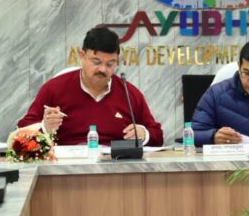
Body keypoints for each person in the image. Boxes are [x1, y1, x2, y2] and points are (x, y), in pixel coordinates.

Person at [18, 27, 163, 146]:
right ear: (82, 56)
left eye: (110, 64)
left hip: (115, 166)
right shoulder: (54, 88)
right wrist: (45, 128)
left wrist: (144, 134)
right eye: (96, 62)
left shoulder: (129, 93)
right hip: (66, 167)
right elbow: (21, 132)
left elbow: (158, 136)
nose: (103, 69)